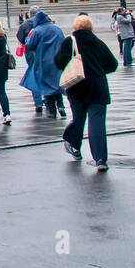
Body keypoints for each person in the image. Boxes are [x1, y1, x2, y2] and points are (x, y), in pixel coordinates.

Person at [54, 15, 118, 171]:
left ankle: (74, 145)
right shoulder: (97, 42)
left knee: (79, 118)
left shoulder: (70, 42)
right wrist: (98, 71)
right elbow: (113, 64)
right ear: (91, 27)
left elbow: (58, 62)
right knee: (97, 123)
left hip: (77, 87)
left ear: (75, 27)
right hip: (97, 86)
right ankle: (100, 159)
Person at [23, 10, 67, 117]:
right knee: (57, 83)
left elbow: (30, 45)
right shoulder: (57, 28)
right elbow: (63, 42)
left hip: (43, 61)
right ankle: (61, 105)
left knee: (46, 86)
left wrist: (28, 37)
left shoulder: (37, 31)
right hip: (57, 60)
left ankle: (51, 110)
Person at [16, 10, 41, 112]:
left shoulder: (25, 24)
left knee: (34, 76)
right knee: (46, 76)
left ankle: (38, 102)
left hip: (31, 53)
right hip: (43, 52)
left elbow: (20, 37)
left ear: (30, 14)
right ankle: (50, 102)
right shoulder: (45, 22)